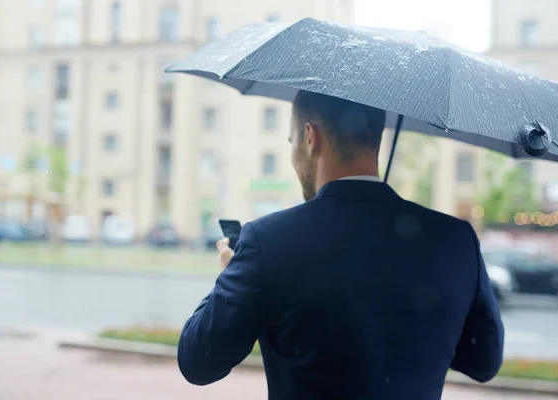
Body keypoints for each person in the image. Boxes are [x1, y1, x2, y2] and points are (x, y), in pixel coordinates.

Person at [177, 90, 504, 400]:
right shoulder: (455, 239)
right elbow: (483, 362)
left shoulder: (270, 240)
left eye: (292, 141)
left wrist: (228, 278)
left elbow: (199, 361)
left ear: (310, 137)